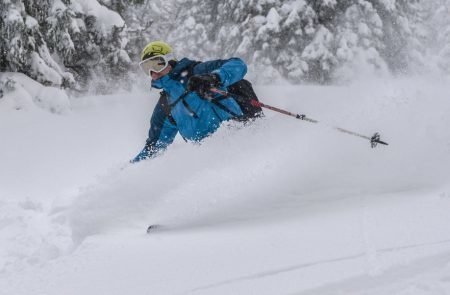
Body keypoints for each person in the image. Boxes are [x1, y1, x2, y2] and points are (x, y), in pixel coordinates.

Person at [131, 41, 262, 163]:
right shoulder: (165, 105)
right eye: (146, 68)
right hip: (212, 159)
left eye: (157, 64)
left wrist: (214, 77)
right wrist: (128, 171)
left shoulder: (196, 72)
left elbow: (238, 65)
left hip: (244, 138)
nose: (153, 72)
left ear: (169, 61)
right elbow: (153, 148)